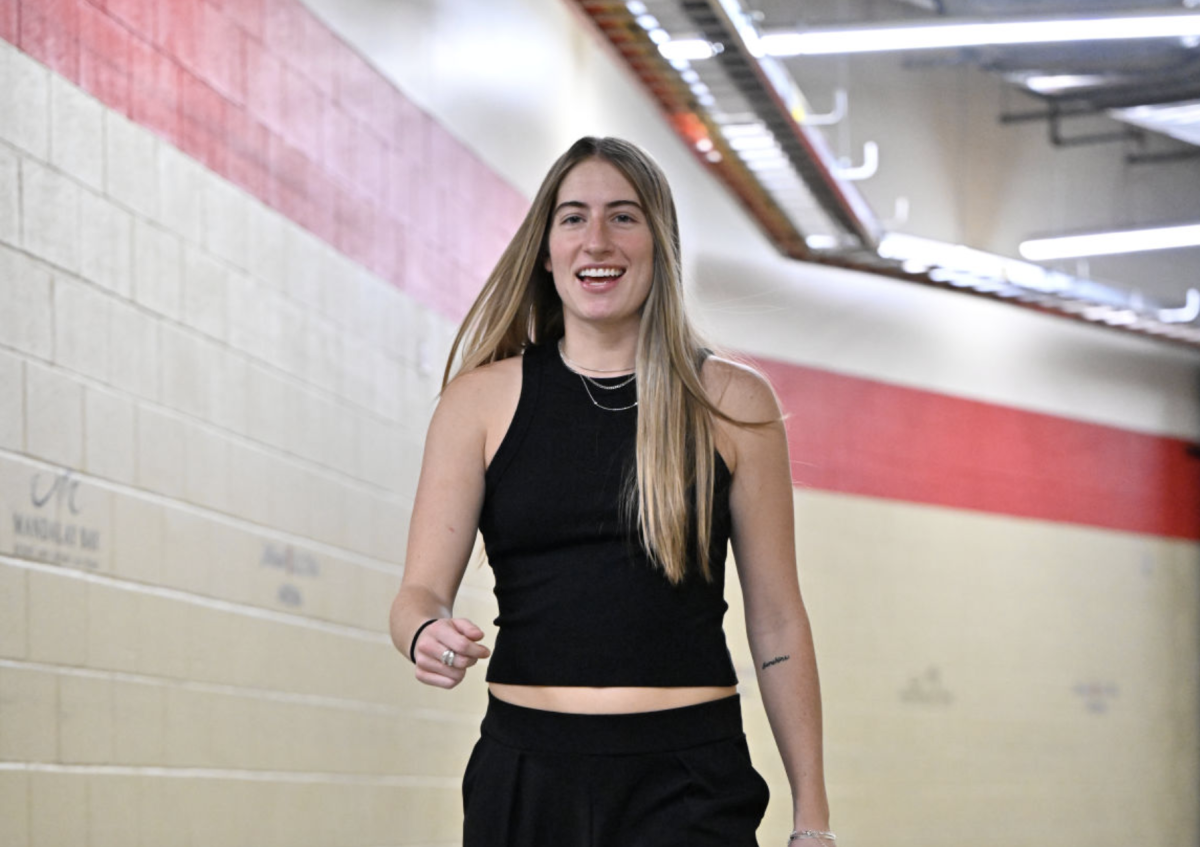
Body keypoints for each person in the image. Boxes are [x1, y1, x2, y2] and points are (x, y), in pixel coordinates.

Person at [390, 136, 832, 847]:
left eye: (623, 217)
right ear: (545, 248)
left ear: (660, 243)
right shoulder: (477, 404)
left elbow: (778, 622)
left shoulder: (732, 404)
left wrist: (813, 818)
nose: (598, 239)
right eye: (574, 218)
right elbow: (416, 595)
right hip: (526, 775)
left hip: (688, 783)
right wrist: (423, 632)